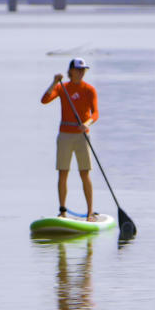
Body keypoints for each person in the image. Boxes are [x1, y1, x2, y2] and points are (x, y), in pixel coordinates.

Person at [40, 58, 99, 221]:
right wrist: (53, 82)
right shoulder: (62, 88)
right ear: (71, 71)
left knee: (84, 173)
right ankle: (63, 211)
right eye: (78, 70)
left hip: (82, 135)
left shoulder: (90, 90)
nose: (81, 73)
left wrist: (87, 123)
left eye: (83, 70)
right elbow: (44, 100)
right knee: (63, 173)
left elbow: (95, 114)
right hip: (65, 135)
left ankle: (90, 213)